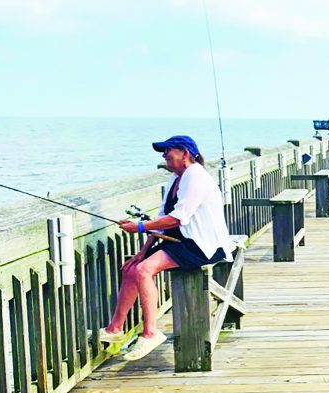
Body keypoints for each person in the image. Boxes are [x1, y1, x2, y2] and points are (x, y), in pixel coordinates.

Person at [99, 136, 234, 361]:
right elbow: (163, 217)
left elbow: (178, 218)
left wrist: (139, 226)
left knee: (144, 271)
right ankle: (115, 329)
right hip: (181, 241)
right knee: (132, 269)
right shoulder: (176, 178)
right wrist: (142, 252)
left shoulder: (196, 176)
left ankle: (151, 332)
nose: (164, 155)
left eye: (167, 150)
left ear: (184, 153)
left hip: (202, 246)